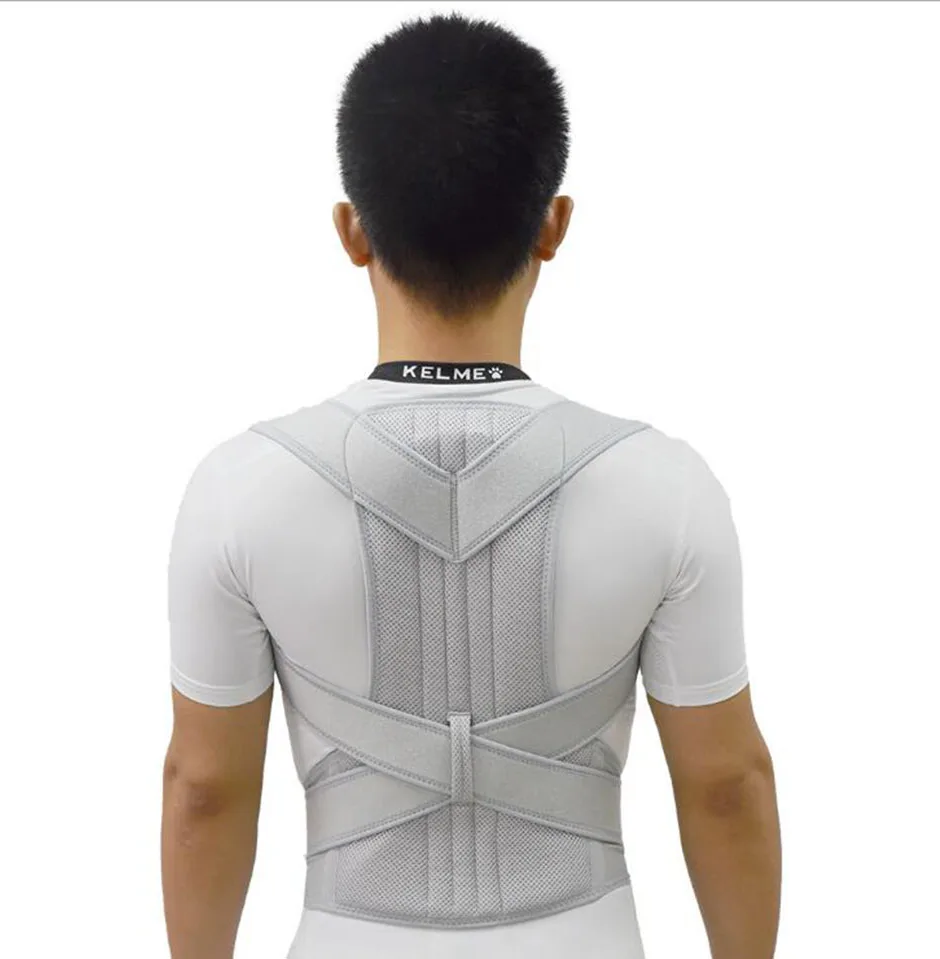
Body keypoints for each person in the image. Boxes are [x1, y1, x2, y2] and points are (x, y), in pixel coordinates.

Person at [161, 12, 781, 959]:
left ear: (352, 231)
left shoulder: (240, 489)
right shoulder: (665, 486)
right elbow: (728, 784)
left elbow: (203, 789)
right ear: (554, 225)